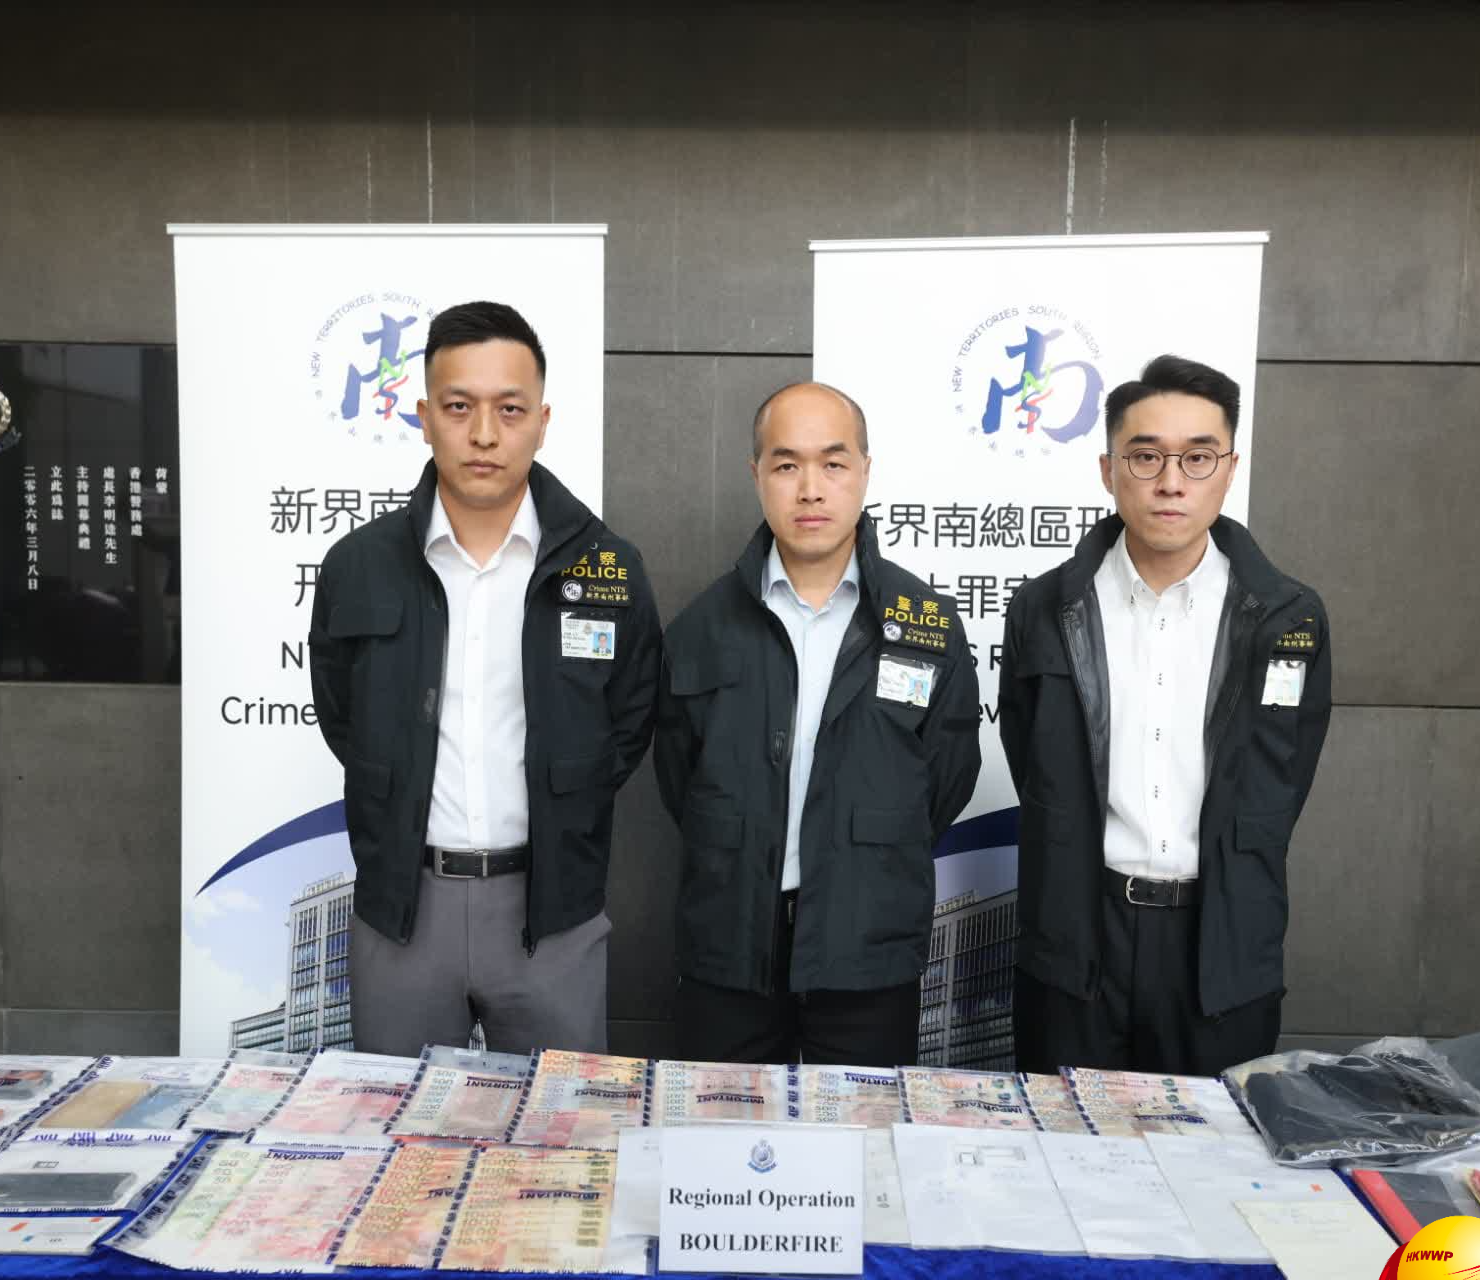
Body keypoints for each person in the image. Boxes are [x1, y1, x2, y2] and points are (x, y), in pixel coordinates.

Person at [308, 300, 660, 1057]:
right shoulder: (358, 566)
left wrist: (566, 805)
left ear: (543, 421)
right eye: (459, 407)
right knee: (397, 1117)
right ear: (424, 418)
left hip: (551, 910)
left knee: (561, 1122)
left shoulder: (606, 568)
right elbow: (342, 714)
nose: (485, 434)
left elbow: (630, 719)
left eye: (510, 408)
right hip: (404, 909)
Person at [999, 354, 1331, 1076]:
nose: (1171, 481)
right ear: (1107, 469)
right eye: (1146, 456)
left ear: (1230, 469)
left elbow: (1287, 775)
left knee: (1215, 1139)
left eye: (1198, 457)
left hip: (1220, 943)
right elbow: (1028, 754)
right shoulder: (1045, 608)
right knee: (1067, 1136)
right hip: (1079, 937)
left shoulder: (1285, 616)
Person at [655, 381, 981, 1066]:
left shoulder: (925, 627)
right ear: (756, 474)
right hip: (730, 947)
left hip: (867, 946)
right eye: (786, 465)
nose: (810, 489)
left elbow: (946, 779)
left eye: (833, 464)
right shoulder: (701, 628)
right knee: (722, 1128)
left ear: (865, 470)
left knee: (865, 1130)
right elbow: (681, 778)